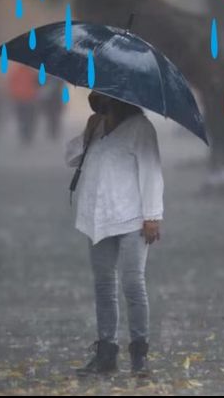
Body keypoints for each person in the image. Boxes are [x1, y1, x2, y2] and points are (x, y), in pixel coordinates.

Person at [65, 91, 164, 377]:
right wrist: (87, 131)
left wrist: (152, 216)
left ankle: (139, 353)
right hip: (97, 217)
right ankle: (106, 352)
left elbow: (151, 171)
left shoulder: (141, 128)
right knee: (104, 286)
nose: (96, 98)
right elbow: (71, 158)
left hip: (133, 218)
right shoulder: (96, 125)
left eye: (103, 95)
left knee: (133, 284)